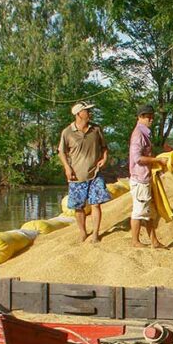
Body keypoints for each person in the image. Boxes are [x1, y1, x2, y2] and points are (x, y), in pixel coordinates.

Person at [59, 101, 110, 243]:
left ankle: (95, 234)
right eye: (87, 111)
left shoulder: (96, 129)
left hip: (95, 173)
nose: (90, 113)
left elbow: (104, 147)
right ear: (78, 114)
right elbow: (61, 152)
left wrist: (104, 158)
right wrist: (67, 168)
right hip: (76, 176)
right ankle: (83, 232)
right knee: (78, 207)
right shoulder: (67, 132)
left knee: (96, 203)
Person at [128, 104, 165, 249]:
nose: (151, 119)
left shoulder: (144, 133)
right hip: (140, 178)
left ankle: (154, 241)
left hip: (145, 177)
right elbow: (137, 158)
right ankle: (135, 241)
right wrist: (157, 160)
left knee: (148, 212)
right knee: (139, 211)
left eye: (151, 116)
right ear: (140, 117)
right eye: (147, 116)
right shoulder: (138, 134)